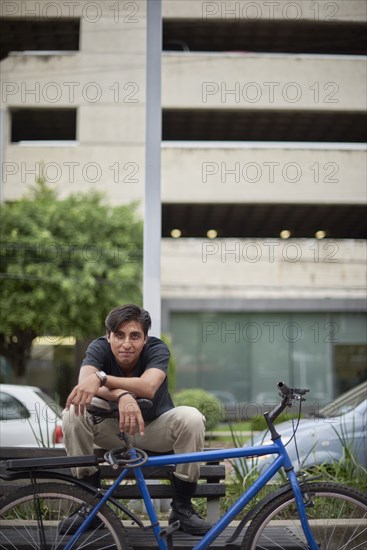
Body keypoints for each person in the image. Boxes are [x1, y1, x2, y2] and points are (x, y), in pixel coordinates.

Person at [62, 303, 211, 535]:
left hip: (153, 431)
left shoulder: (157, 348)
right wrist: (122, 395)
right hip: (112, 431)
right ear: (108, 337)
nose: (126, 344)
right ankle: (90, 507)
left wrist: (100, 378)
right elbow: (85, 386)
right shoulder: (98, 348)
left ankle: (182, 507)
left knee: (192, 418)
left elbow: (148, 386)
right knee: (74, 413)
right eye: (119, 335)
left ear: (145, 339)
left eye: (134, 336)